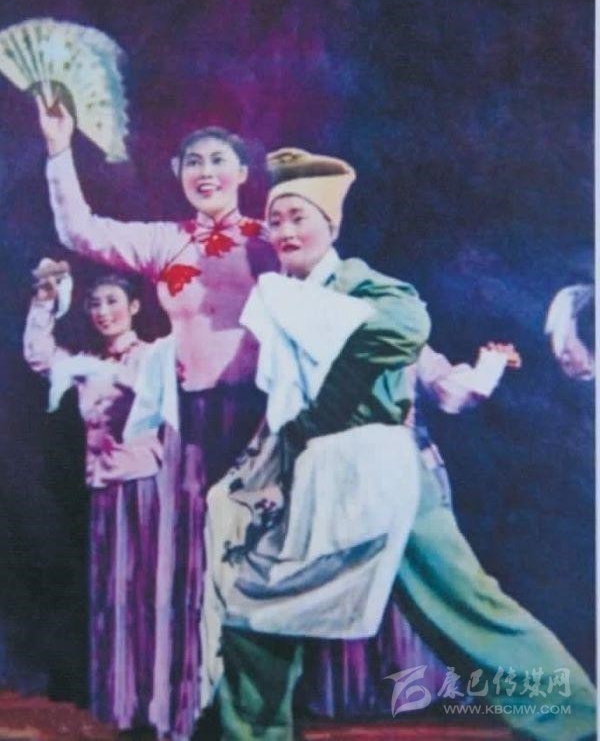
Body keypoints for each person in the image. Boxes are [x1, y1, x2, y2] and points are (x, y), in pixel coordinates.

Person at [212, 148, 596, 741]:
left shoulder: (367, 287)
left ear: (331, 223)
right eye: (276, 220)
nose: (285, 230)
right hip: (313, 475)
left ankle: (577, 724)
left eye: (298, 217)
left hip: (380, 470)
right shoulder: (277, 299)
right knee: (254, 608)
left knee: (466, 608)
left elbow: (405, 331)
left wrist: (323, 411)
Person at [35, 100, 277, 739]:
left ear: (243, 172)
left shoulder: (271, 237)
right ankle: (185, 710)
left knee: (254, 563)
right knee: (186, 567)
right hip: (190, 423)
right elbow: (81, 232)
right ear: (177, 173)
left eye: (218, 160)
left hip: (260, 418)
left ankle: (254, 711)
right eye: (193, 161)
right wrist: (59, 149)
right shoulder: (167, 241)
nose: (205, 171)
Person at [300, 340, 523, 718]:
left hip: (405, 473)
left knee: (422, 578)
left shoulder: (404, 341)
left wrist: (491, 365)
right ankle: (354, 691)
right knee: (354, 580)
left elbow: (449, 392)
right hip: (348, 475)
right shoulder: (322, 340)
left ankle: (411, 687)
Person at [23, 265, 167, 735]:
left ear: (134, 307)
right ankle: (119, 701)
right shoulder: (85, 362)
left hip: (144, 488)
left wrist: (112, 375)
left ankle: (152, 703)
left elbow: (159, 400)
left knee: (143, 593)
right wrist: (45, 300)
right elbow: (39, 356)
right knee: (111, 594)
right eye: (94, 304)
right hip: (104, 489)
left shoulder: (153, 356)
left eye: (112, 302)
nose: (103, 312)